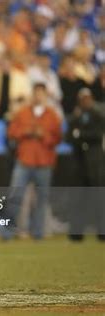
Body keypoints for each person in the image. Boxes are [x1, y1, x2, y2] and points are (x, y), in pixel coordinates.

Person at [2, 83, 62, 240]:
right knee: (15, 196)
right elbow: (11, 132)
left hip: (44, 162)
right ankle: (7, 233)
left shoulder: (52, 114)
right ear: (32, 94)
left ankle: (38, 233)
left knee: (42, 200)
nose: (38, 96)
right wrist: (26, 131)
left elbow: (58, 138)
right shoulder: (22, 113)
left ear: (45, 96)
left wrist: (44, 136)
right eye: (36, 93)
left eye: (41, 93)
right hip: (25, 159)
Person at [66, 88, 105, 241]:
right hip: (79, 163)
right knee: (77, 198)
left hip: (95, 164)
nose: (85, 102)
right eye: (82, 99)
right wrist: (81, 136)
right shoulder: (75, 118)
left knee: (99, 198)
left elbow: (97, 135)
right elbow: (69, 137)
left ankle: (102, 232)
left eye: (87, 98)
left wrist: (80, 135)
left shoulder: (98, 116)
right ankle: (76, 233)